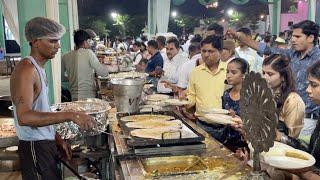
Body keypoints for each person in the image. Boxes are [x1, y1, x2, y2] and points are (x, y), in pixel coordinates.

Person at [10, 17, 94, 180]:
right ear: (35, 41)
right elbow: (24, 116)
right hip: (34, 146)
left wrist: (56, 137)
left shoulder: (38, 68)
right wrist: (71, 115)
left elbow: (41, 110)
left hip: (44, 144)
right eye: (52, 41)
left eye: (58, 41)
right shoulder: (26, 70)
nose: (58, 46)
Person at [228, 20, 320, 137]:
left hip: (307, 119)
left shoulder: (318, 58)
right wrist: (242, 39)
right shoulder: (291, 54)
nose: (292, 39)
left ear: (311, 38)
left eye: (297, 36)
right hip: (284, 113)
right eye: (292, 36)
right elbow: (267, 49)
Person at [186, 35, 227, 141]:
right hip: (202, 126)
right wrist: (184, 102)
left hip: (226, 128)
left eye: (210, 51)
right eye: (203, 51)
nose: (206, 55)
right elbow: (191, 97)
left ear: (220, 51)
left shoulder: (228, 71)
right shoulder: (196, 72)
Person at [262, 54, 305, 138]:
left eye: (270, 74)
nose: (264, 77)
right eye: (263, 73)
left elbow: (291, 137)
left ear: (283, 77)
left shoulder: (293, 100)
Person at [61, 29, 108, 101]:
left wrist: (72, 77)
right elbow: (103, 73)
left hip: (73, 97)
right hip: (88, 96)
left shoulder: (65, 56)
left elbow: (62, 78)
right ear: (85, 42)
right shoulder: (88, 53)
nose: (89, 44)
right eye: (89, 41)